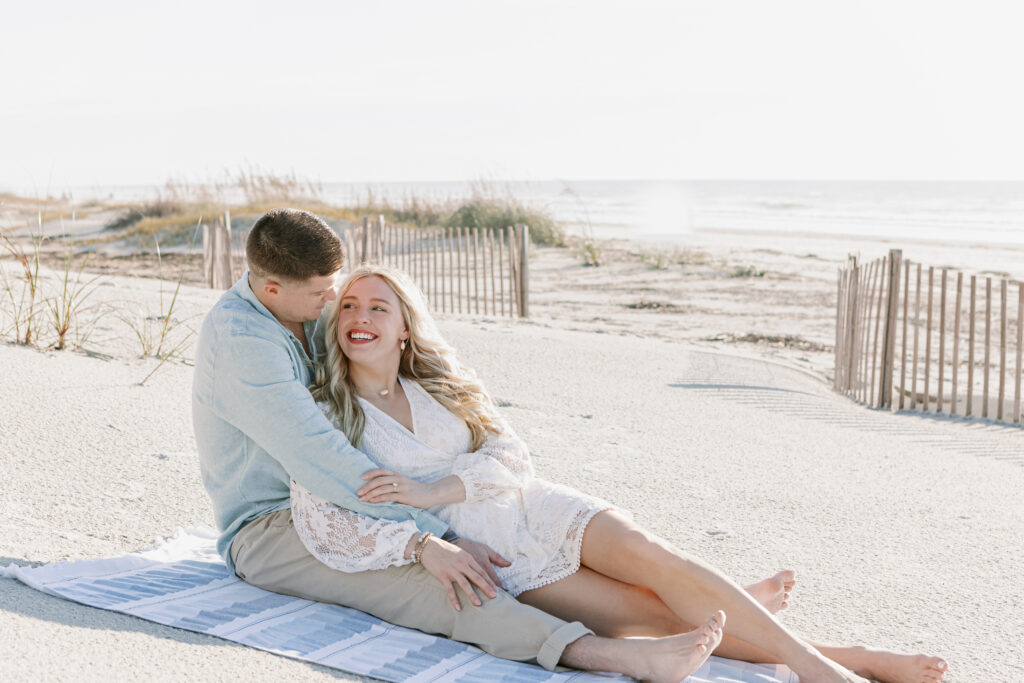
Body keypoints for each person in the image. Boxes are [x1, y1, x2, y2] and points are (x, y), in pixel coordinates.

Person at [291, 262, 950, 683]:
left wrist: (437, 487)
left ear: (405, 325)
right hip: (499, 555)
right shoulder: (326, 411)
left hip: (533, 505)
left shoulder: (443, 383)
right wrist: (426, 537)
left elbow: (513, 455)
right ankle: (852, 655)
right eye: (348, 306)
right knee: (650, 613)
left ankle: (811, 665)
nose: (359, 317)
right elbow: (323, 519)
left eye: (378, 306)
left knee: (658, 557)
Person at [192, 207, 731, 681]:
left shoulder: (302, 305)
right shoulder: (243, 343)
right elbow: (321, 460)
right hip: (275, 524)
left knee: (542, 542)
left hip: (354, 492)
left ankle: (717, 620)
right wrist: (433, 538)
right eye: (322, 294)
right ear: (271, 290)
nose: (335, 301)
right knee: (441, 583)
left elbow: (390, 333)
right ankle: (610, 657)